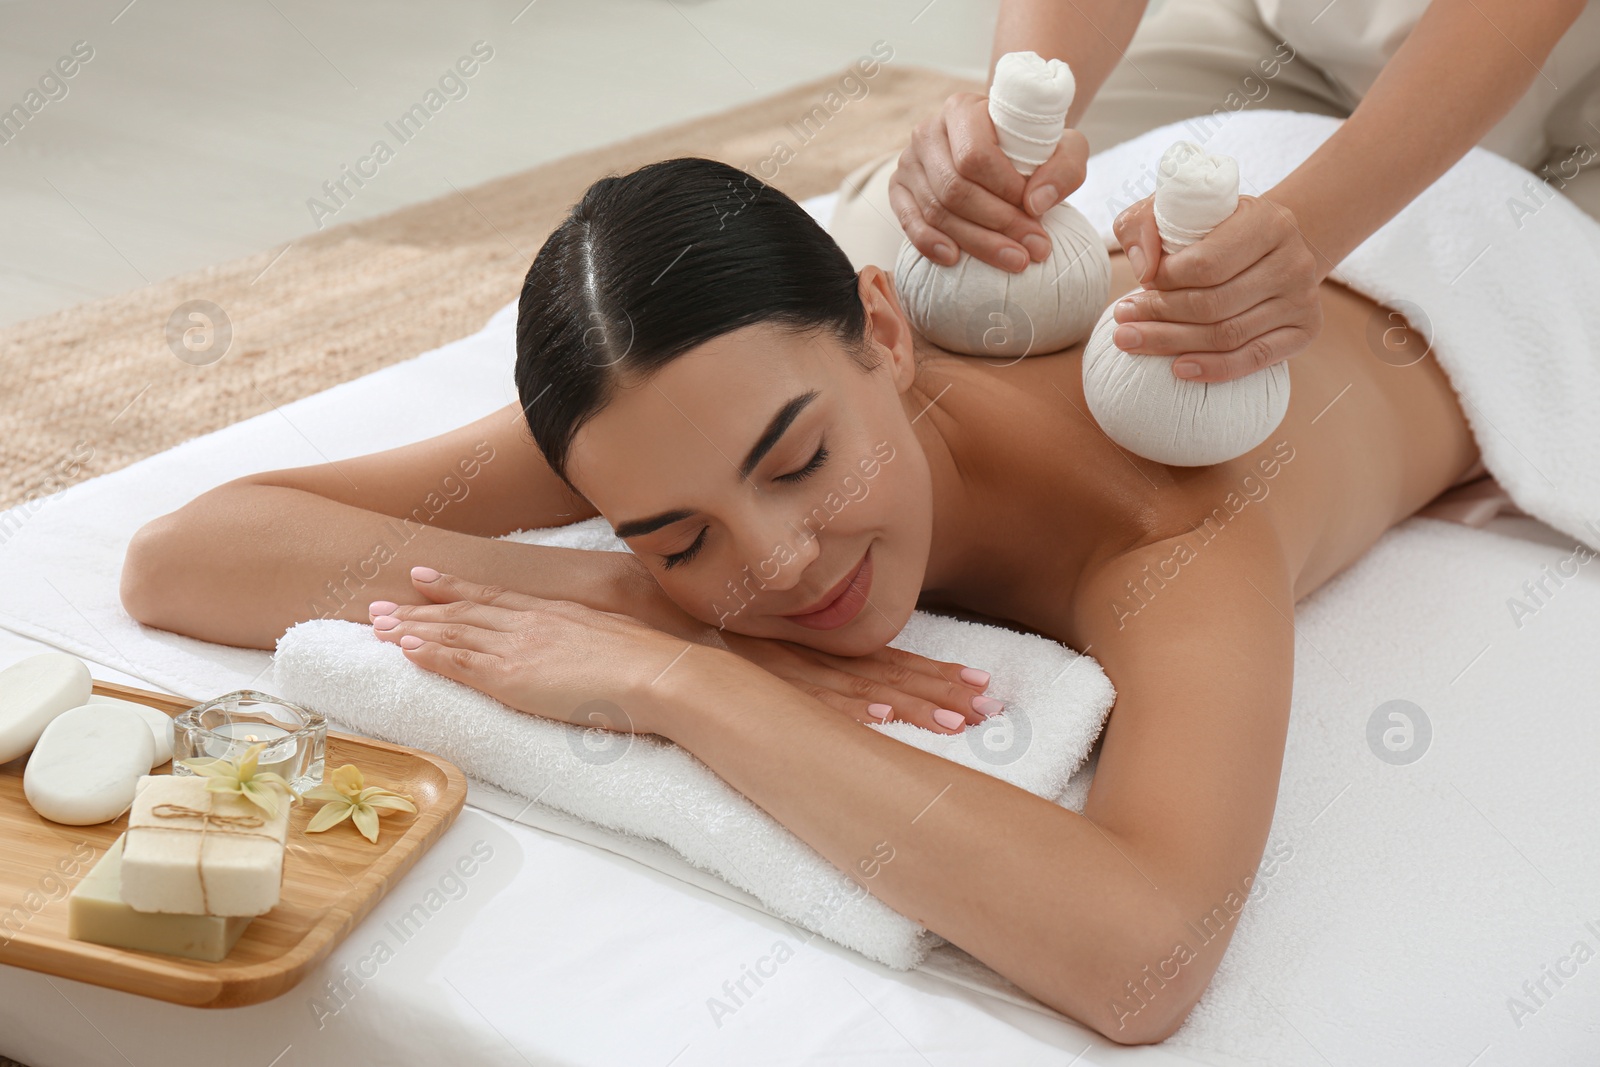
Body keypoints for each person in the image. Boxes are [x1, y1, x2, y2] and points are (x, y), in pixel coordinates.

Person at [122, 155, 1496, 1042]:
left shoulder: (1165, 521)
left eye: (801, 462)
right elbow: (184, 552)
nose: (775, 564)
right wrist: (616, 586)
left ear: (885, 335)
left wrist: (685, 677)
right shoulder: (670, 409)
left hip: (1453, 238)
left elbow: (1147, 953)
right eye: (677, 534)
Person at [834, 0, 1600, 385]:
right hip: (1302, 39)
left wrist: (1301, 236)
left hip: (1584, 120)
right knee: (875, 252)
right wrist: (1016, 123)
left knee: (1277, 387)